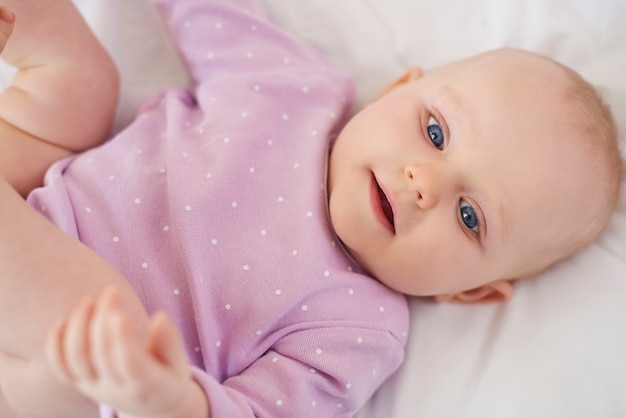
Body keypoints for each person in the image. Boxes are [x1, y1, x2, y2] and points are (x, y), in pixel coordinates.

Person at [0, 0, 621, 417]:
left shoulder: (358, 327)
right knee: (82, 77)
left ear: (474, 291)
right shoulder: (293, 84)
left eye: (469, 216)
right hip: (39, 197)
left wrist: (172, 400)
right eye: (434, 132)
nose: (423, 183)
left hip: (78, 368)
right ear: (398, 90)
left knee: (97, 325)